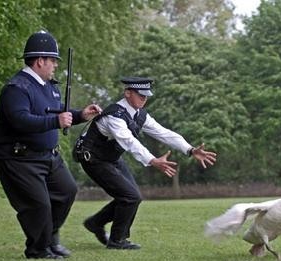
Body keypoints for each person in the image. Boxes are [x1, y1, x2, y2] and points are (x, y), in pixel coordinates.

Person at [0, 30, 102, 259]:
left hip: (47, 155)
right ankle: (38, 250)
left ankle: (50, 239)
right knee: (39, 205)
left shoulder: (49, 86)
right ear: (40, 61)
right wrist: (56, 121)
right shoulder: (16, 88)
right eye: (53, 61)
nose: (56, 66)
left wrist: (81, 115)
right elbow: (20, 120)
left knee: (66, 191)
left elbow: (57, 113)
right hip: (17, 157)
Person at [78, 76, 217, 250]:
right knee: (130, 197)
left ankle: (95, 223)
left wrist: (190, 149)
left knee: (132, 197)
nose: (144, 98)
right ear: (128, 93)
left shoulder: (139, 115)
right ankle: (117, 241)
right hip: (93, 159)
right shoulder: (115, 116)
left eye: (146, 95)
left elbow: (163, 133)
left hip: (111, 158)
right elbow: (129, 142)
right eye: (140, 95)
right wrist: (152, 160)